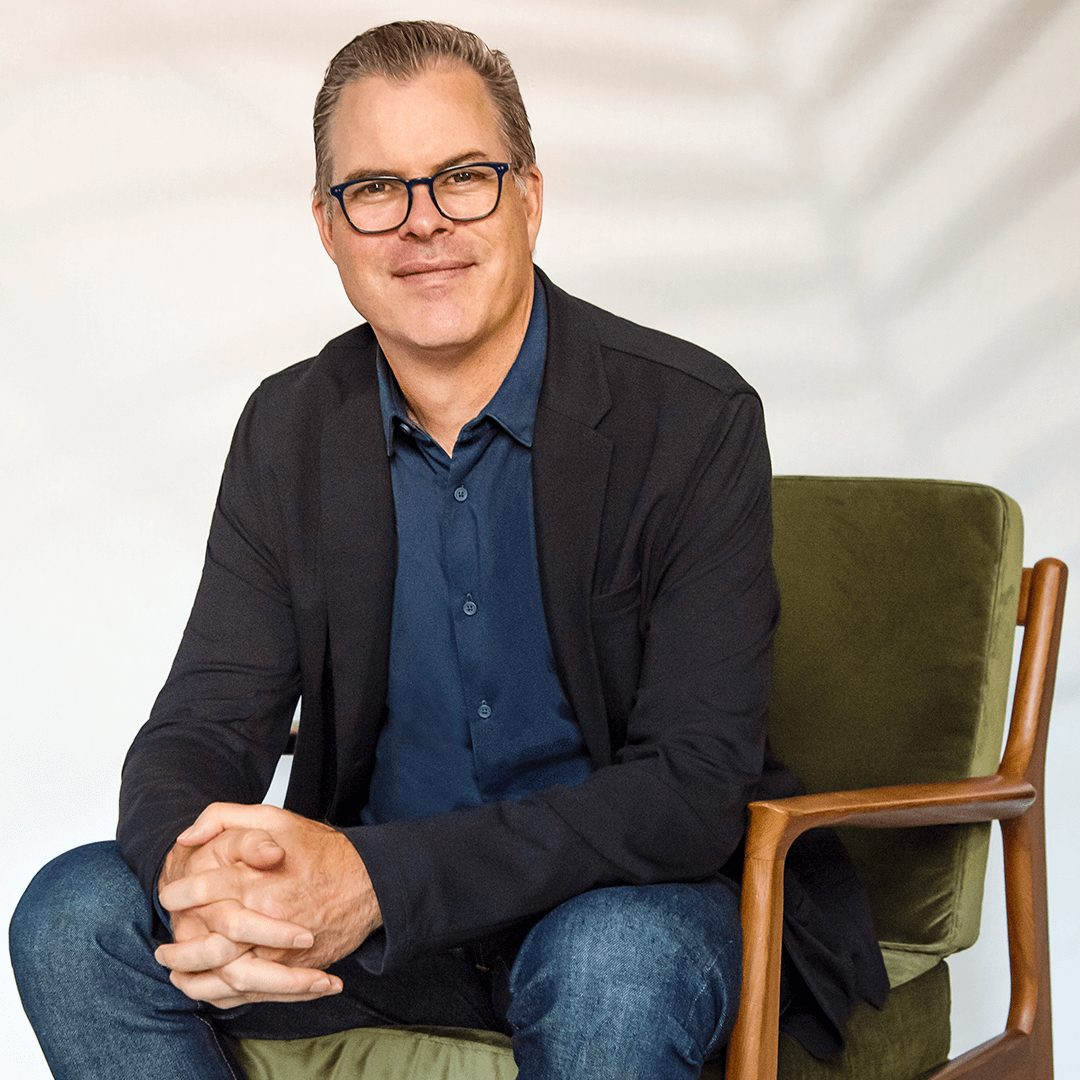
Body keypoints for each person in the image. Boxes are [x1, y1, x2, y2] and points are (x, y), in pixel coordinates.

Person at [10, 20, 887, 1079]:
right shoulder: (289, 429)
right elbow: (201, 724)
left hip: (624, 904)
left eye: (464, 177)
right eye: (376, 189)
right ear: (329, 227)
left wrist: (376, 880)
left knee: (610, 962)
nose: (423, 222)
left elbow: (692, 789)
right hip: (381, 942)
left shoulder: (690, 418)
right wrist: (199, 882)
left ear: (529, 196)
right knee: (73, 915)